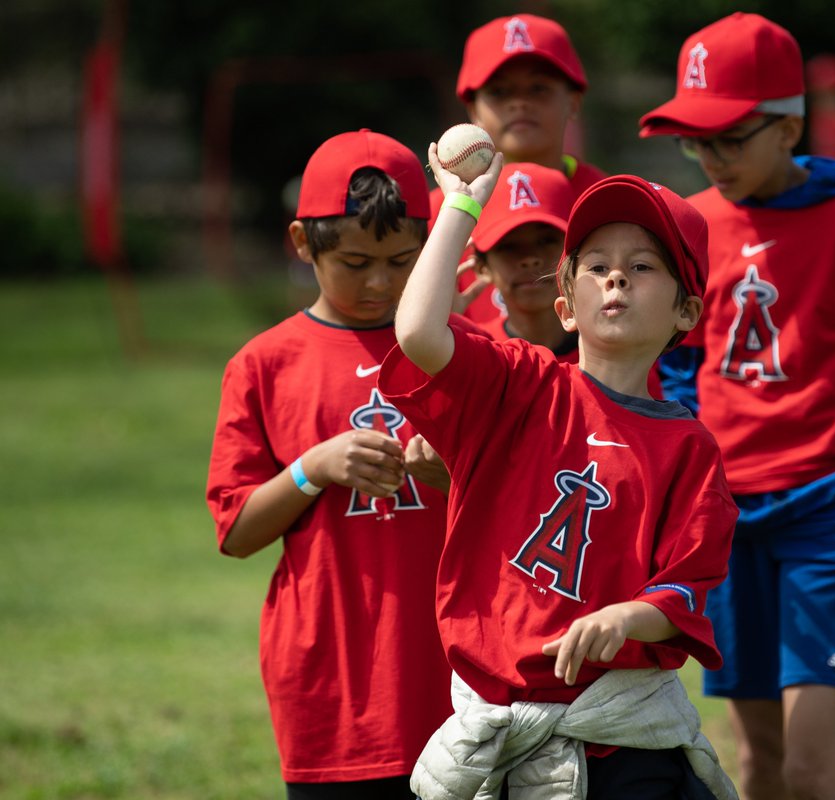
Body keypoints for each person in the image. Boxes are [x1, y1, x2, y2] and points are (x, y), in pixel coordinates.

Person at [638, 12, 835, 800]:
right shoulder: (696, 220)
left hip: (829, 520)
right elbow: (679, 362)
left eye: (731, 138)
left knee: (815, 766)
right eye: (695, 141)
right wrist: (696, 458)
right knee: (759, 767)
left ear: (790, 125)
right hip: (727, 522)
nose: (711, 158)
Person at [379, 145, 740, 799]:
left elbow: (685, 592)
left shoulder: (688, 448)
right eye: (596, 267)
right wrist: (462, 203)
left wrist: (629, 616)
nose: (616, 280)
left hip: (622, 734)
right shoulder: (519, 385)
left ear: (686, 313)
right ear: (566, 305)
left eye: (643, 267)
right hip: (501, 730)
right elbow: (418, 334)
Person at [205, 129, 457, 799]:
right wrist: (311, 468)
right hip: (330, 683)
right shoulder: (264, 365)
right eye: (353, 262)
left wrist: (453, 477)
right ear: (301, 242)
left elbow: (525, 501)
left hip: (456, 678)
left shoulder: (466, 354)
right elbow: (236, 533)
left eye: (403, 261)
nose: (379, 282)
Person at [438, 13, 608, 325]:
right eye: (500, 92)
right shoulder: (442, 210)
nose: (520, 103)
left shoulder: (608, 201)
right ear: (472, 109)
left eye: (538, 88)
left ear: (574, 101)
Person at [470, 160, 578, 359]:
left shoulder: (618, 350)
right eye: (509, 247)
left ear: (576, 254)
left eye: (547, 240)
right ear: (482, 268)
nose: (530, 259)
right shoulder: (472, 351)